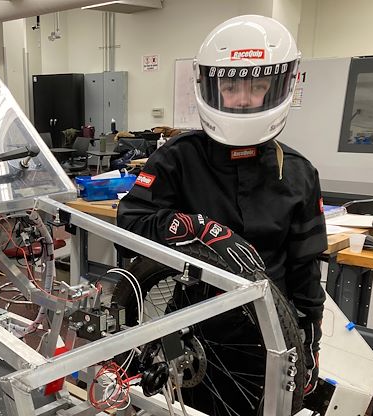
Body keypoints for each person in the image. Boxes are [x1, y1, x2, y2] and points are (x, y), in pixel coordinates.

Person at [117, 15, 325, 395]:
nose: (243, 98)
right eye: (230, 87)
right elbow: (130, 227)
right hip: (191, 327)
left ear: (278, 87)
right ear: (212, 88)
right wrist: (199, 229)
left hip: (271, 330)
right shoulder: (176, 160)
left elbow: (305, 269)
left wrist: (310, 343)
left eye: (257, 86)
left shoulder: (298, 174)